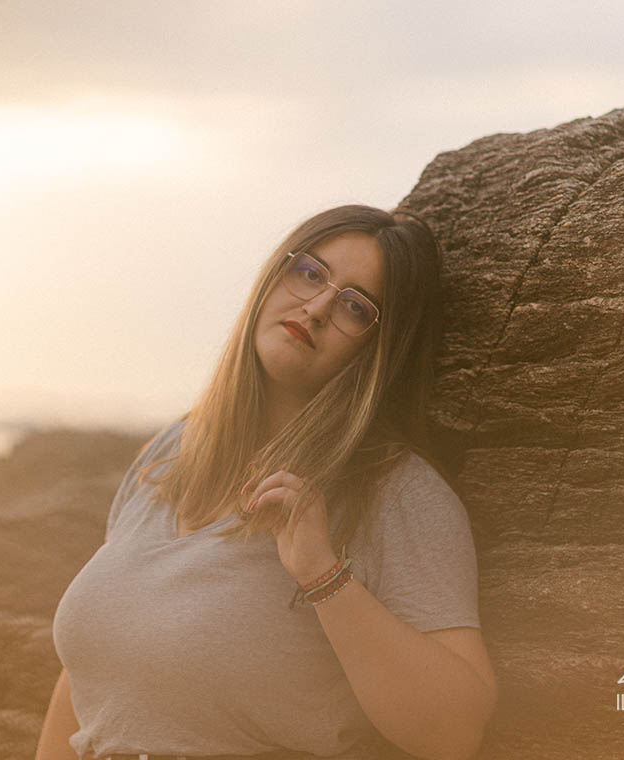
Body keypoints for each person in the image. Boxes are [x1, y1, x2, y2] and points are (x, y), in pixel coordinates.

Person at [36, 204, 498, 760]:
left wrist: (323, 574)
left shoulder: (397, 492)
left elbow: (453, 733)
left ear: (379, 349)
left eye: (356, 307)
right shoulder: (169, 454)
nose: (319, 306)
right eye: (310, 273)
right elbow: (83, 684)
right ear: (274, 277)